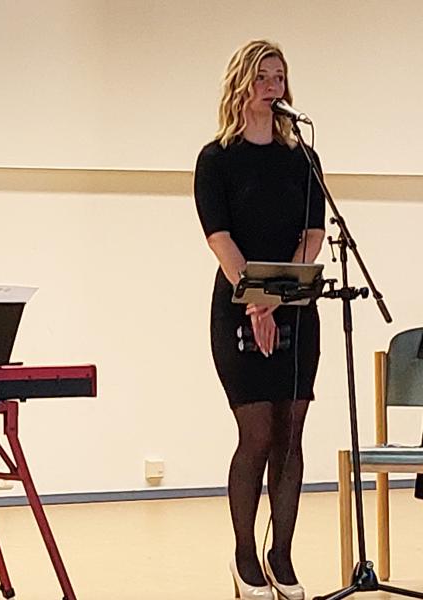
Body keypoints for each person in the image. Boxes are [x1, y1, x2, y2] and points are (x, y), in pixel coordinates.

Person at [193, 41, 325, 600]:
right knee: (258, 433)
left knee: (291, 434)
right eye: (263, 77)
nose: (274, 86)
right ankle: (245, 556)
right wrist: (255, 302)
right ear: (242, 84)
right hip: (236, 308)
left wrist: (278, 297)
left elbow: (313, 234)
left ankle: (283, 556)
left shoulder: (303, 159)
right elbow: (219, 238)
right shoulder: (216, 159)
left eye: (280, 77)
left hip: (294, 307)